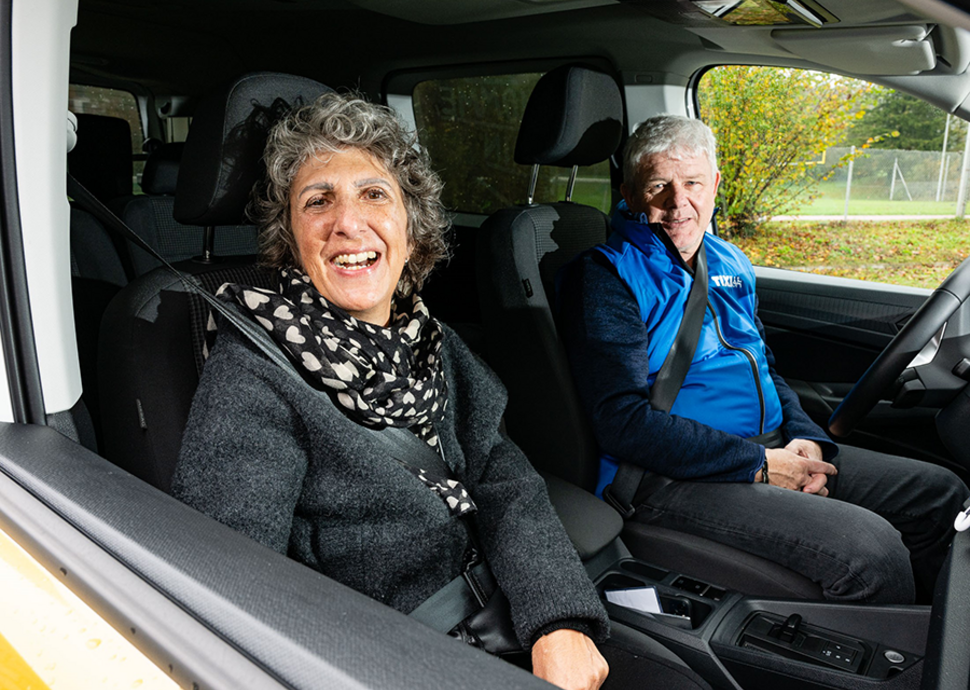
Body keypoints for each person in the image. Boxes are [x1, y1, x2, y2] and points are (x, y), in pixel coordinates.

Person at [172, 93, 710, 690]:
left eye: (374, 194)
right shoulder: (255, 367)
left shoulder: (431, 336)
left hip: (500, 605)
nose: (348, 222)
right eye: (317, 200)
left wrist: (558, 619)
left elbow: (503, 477)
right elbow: (235, 584)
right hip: (387, 650)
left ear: (410, 223)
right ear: (291, 236)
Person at [558, 113, 969, 605]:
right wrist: (759, 465)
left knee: (940, 495)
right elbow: (622, 422)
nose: (678, 203)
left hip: (770, 445)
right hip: (669, 475)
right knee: (871, 552)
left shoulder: (730, 261)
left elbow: (764, 365)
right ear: (628, 194)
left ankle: (944, 641)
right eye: (658, 186)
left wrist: (806, 440)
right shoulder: (607, 278)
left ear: (713, 184)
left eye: (691, 183)